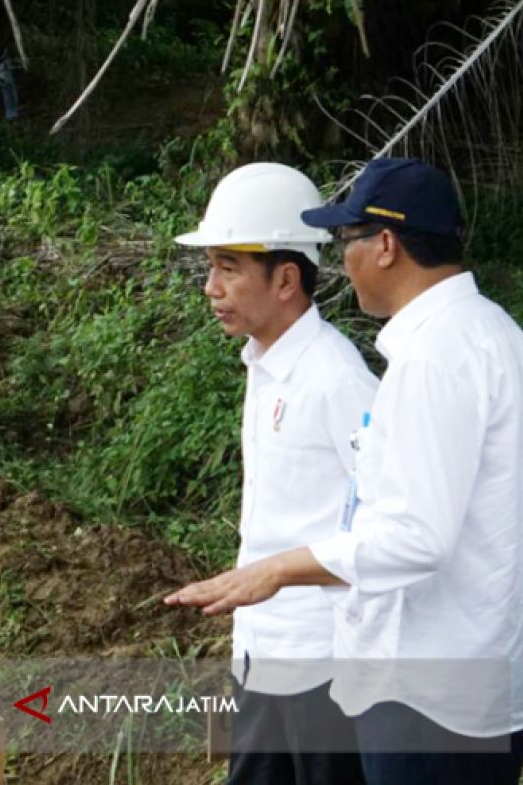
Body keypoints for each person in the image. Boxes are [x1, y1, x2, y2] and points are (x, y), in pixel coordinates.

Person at [167, 158, 523, 783]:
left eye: (347, 241)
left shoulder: (426, 361)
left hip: (424, 689)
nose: (340, 262)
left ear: (385, 244)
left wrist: (278, 571)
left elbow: (413, 534)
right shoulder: (490, 334)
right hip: (457, 678)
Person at [174, 162, 376, 784]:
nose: (211, 287)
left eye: (228, 268)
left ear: (287, 277)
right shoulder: (264, 366)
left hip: (322, 671)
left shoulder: (337, 378)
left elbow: (388, 524)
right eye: (210, 267)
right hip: (262, 657)